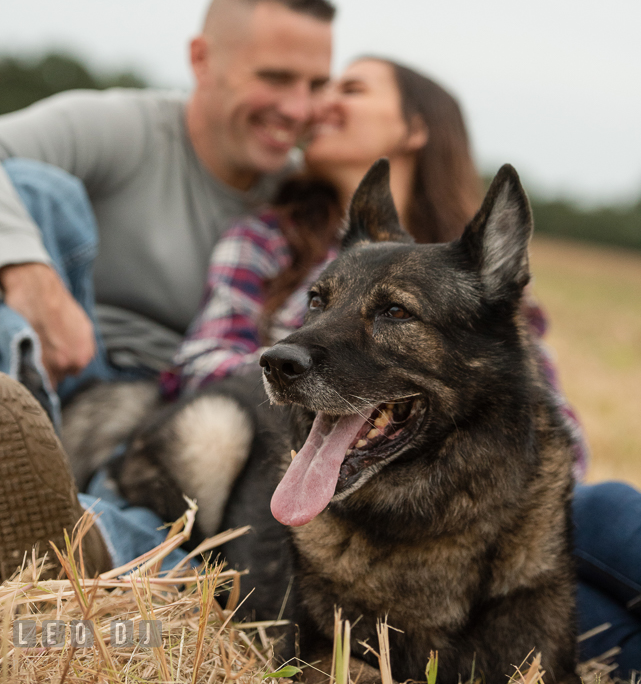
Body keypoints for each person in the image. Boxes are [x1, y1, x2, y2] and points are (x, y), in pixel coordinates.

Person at [168, 56, 640, 677]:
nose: (322, 103)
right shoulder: (271, 237)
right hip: (311, 481)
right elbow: (214, 363)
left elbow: (533, 403)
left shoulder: (471, 275)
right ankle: (123, 542)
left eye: (351, 89)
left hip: (485, 527)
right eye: (319, 300)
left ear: (416, 127)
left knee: (609, 511)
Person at [0, 0, 334, 577]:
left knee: (192, 487)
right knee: (36, 191)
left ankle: (84, 538)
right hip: (52, 365)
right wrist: (25, 267)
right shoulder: (120, 128)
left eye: (317, 84)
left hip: (167, 417)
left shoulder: (301, 211)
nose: (298, 108)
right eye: (276, 77)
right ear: (202, 59)